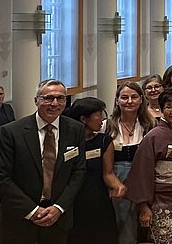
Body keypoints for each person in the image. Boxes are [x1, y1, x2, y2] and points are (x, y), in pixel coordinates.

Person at [0, 79, 86, 244]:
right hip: (19, 219)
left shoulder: (75, 129)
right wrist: (33, 211)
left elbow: (78, 171)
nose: (54, 103)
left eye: (60, 98)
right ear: (36, 101)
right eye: (48, 98)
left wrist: (59, 207)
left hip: (58, 219)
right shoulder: (11, 132)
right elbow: (0, 178)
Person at [126, 87, 172, 244]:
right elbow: (142, 173)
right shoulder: (153, 136)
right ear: (161, 110)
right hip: (160, 200)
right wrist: (144, 206)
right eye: (168, 107)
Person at [65, 97, 123, 244]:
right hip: (74, 201)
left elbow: (108, 173)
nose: (102, 119)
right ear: (84, 119)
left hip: (99, 200)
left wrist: (118, 185)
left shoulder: (104, 141)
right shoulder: (67, 143)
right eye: (99, 115)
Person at [107, 81, 155, 244]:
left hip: (144, 181)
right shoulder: (108, 126)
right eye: (124, 97)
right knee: (122, 229)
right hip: (117, 182)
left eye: (134, 97)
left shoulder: (150, 125)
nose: (129, 101)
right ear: (117, 100)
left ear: (141, 99)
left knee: (144, 226)